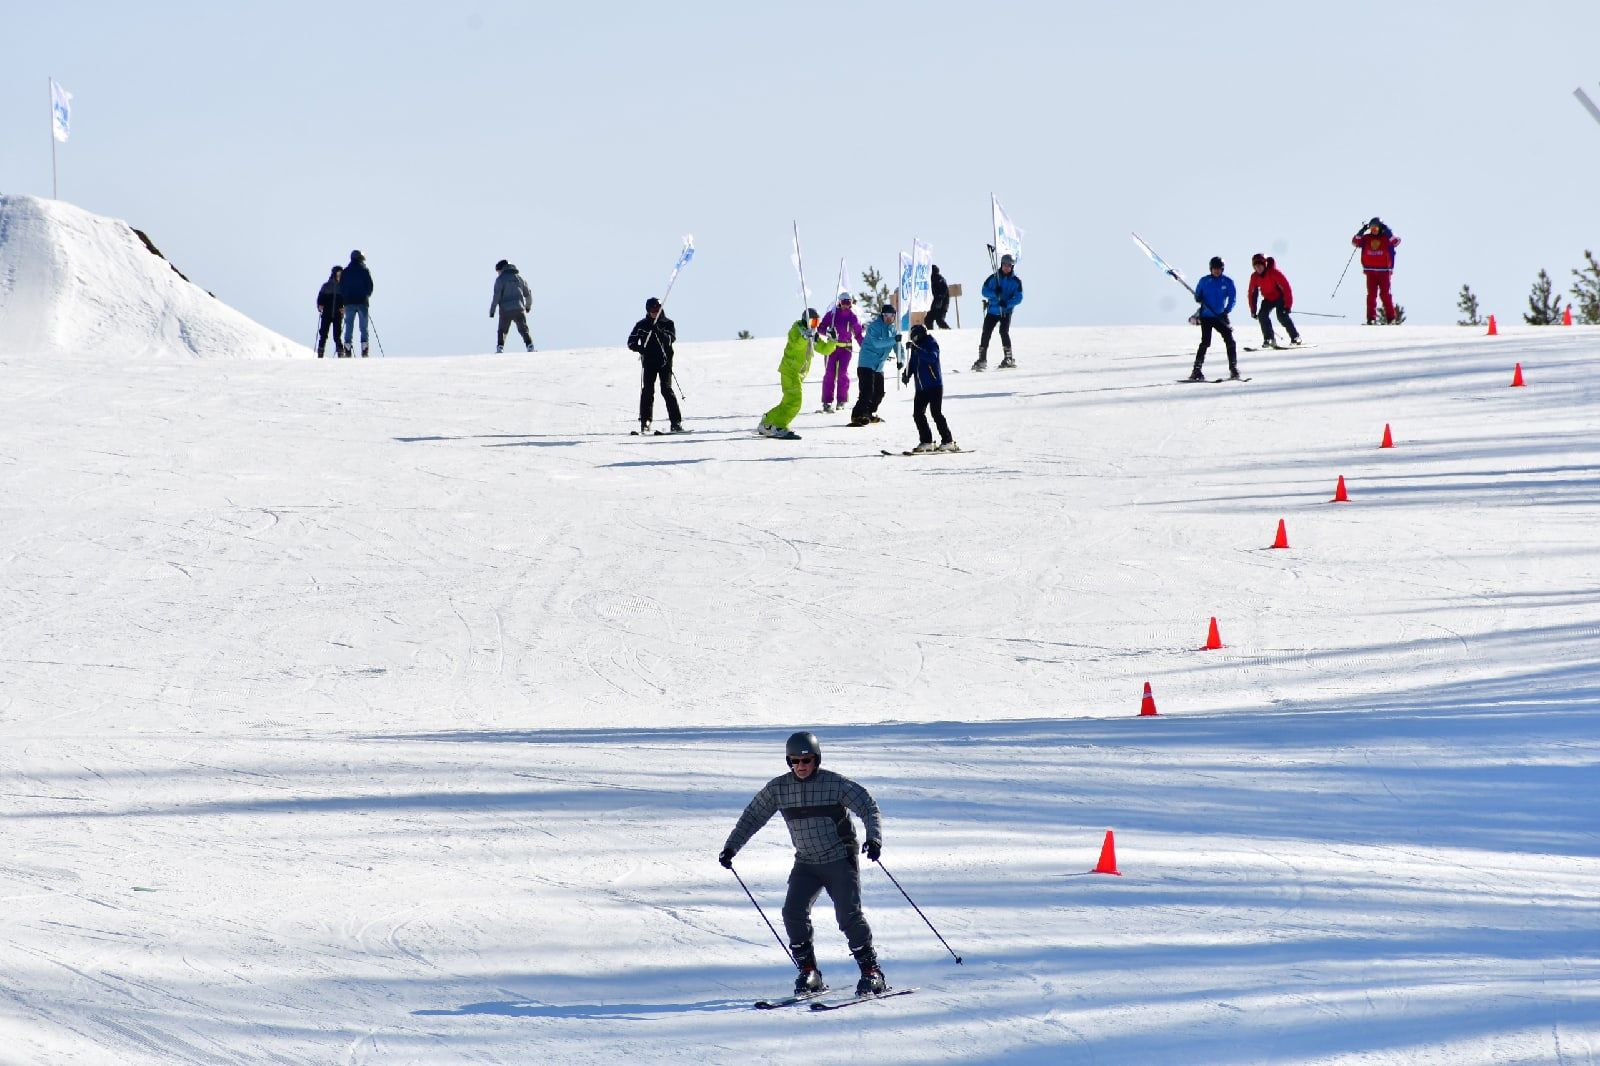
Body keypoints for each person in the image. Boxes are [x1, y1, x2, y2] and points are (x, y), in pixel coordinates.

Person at [719, 731, 888, 998]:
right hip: (807, 863)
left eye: (806, 761)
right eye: (794, 761)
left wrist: (874, 839)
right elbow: (752, 816)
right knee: (792, 912)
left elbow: (867, 805)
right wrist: (731, 848)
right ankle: (808, 971)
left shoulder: (835, 784)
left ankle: (872, 972)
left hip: (839, 860)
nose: (800, 766)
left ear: (816, 760)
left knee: (848, 916)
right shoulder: (779, 788)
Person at [757, 309, 837, 441]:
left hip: (798, 374)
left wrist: (833, 340)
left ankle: (767, 421)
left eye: (818, 322)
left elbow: (824, 349)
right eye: (813, 321)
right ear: (806, 320)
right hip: (790, 371)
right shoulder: (796, 330)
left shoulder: (813, 334)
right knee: (795, 401)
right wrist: (805, 337)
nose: (815, 325)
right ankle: (779, 426)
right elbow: (796, 345)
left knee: (789, 401)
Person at [627, 297, 683, 434]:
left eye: (658, 309)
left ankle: (676, 422)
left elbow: (671, 339)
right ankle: (646, 422)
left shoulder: (668, 323)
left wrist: (658, 330)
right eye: (653, 310)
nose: (655, 312)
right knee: (647, 391)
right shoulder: (641, 325)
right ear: (648, 310)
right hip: (649, 362)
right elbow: (630, 342)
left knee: (666, 389)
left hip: (664, 361)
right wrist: (639, 348)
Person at [903, 324, 958, 451]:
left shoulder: (931, 342)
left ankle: (948, 441)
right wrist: (907, 374)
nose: (913, 340)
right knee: (918, 414)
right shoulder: (916, 347)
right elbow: (912, 362)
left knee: (936, 413)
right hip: (921, 388)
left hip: (934, 385)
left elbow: (932, 357)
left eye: (914, 337)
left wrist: (916, 348)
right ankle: (927, 441)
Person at [849, 305, 902, 427]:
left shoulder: (893, 330)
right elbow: (877, 343)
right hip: (866, 363)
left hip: (879, 366)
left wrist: (901, 360)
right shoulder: (874, 327)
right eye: (886, 315)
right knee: (867, 391)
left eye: (892, 316)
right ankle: (857, 414)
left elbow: (898, 347)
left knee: (879, 393)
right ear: (882, 315)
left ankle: (867, 413)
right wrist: (894, 339)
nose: (889, 318)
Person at [1188, 256, 1239, 381]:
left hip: (1220, 316)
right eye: (1214, 269)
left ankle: (1233, 369)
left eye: (1219, 269)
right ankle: (1196, 370)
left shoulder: (1227, 282)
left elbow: (1232, 298)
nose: (1216, 271)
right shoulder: (1204, 281)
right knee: (1206, 342)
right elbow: (1197, 295)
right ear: (1211, 269)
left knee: (1230, 340)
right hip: (1206, 316)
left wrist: (1226, 311)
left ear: (1222, 269)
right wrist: (1198, 297)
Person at [973, 254, 1022, 370]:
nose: (1006, 267)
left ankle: (1008, 358)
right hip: (992, 310)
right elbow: (984, 291)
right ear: (1001, 265)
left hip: (1006, 311)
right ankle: (982, 359)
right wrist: (995, 293)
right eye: (1005, 265)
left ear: (1012, 266)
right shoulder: (994, 278)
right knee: (986, 332)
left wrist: (1007, 303)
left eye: (1009, 265)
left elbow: (1019, 297)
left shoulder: (1016, 281)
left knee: (1003, 331)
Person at [817, 294, 863, 413]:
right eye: (844, 302)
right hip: (832, 348)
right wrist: (828, 332)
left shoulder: (852, 316)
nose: (846, 305)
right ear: (839, 302)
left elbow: (858, 334)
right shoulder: (832, 314)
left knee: (843, 373)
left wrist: (864, 346)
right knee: (829, 374)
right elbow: (820, 328)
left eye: (849, 302)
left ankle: (841, 401)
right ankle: (827, 402)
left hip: (846, 349)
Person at [1352, 217, 1400, 324]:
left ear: (1380, 228)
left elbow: (1396, 241)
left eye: (1376, 229)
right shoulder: (1366, 238)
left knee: (1385, 295)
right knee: (1371, 295)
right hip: (1370, 271)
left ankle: (1391, 318)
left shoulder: (1386, 238)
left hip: (1384, 271)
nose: (1374, 231)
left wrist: (1387, 230)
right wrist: (1362, 231)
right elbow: (1355, 242)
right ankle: (1371, 318)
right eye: (1372, 229)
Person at [1247, 253, 1301, 348]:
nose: (1258, 268)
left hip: (1280, 298)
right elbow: (1252, 294)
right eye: (1256, 266)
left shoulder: (1274, 273)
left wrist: (1288, 305)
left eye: (1260, 265)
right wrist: (1253, 310)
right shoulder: (1254, 277)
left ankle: (1295, 337)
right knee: (1262, 316)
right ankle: (1269, 339)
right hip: (1268, 299)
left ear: (1264, 265)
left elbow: (1286, 288)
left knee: (1281, 316)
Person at [490, 259, 534, 352]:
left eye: (498, 271)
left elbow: (496, 296)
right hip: (519, 308)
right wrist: (528, 306)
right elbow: (528, 294)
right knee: (523, 329)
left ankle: (500, 348)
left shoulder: (500, 279)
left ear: (501, 269)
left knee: (502, 330)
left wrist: (492, 311)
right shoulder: (519, 278)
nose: (498, 273)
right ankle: (530, 346)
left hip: (505, 310)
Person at [339, 250, 374, 358]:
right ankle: (364, 350)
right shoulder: (365, 270)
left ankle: (347, 349)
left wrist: (345, 298)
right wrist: (366, 295)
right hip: (362, 302)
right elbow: (370, 286)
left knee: (349, 326)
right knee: (363, 327)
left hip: (349, 303)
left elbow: (341, 287)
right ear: (360, 259)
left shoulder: (345, 271)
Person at [315, 266, 344, 358]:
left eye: (341, 275)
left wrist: (345, 308)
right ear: (334, 274)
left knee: (337, 335)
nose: (339, 276)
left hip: (337, 314)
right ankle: (320, 353)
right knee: (323, 334)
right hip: (326, 313)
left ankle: (340, 353)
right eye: (338, 274)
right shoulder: (326, 286)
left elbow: (346, 300)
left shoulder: (343, 287)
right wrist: (319, 305)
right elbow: (320, 298)